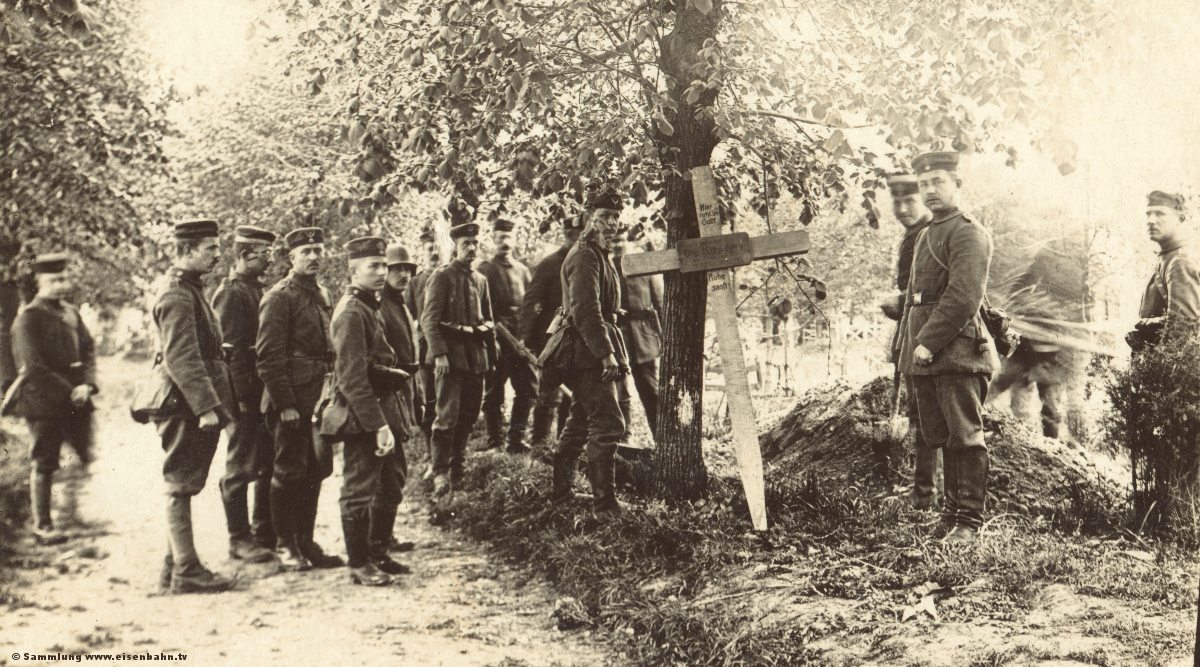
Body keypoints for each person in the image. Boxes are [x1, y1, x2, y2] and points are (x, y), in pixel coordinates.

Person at [898, 151, 998, 545]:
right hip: (925, 353)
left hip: (956, 350)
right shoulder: (927, 233)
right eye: (924, 184)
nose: (930, 190)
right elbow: (913, 299)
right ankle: (951, 515)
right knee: (938, 434)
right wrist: (909, 350)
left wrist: (927, 342)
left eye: (938, 182)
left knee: (965, 436)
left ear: (957, 184)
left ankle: (969, 522)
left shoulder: (967, 231)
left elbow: (964, 295)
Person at [151, 219, 236, 593]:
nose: (217, 256)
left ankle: (174, 569)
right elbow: (181, 357)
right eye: (210, 249)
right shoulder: (176, 295)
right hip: (184, 404)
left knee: (185, 481)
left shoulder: (190, 290)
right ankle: (186, 571)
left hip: (190, 401)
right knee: (180, 483)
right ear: (186, 250)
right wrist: (205, 407)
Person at [324, 237, 411, 585]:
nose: (381, 272)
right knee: (359, 488)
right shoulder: (350, 311)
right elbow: (351, 378)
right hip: (363, 413)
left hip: (383, 407)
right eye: (372, 266)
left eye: (383, 265)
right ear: (353, 271)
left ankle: (377, 551)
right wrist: (378, 425)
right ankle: (359, 563)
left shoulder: (369, 306)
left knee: (392, 482)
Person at [539, 188, 630, 519]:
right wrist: (607, 354)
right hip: (587, 353)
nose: (612, 224)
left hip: (591, 349)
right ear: (589, 219)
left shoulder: (599, 254)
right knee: (608, 423)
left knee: (580, 420)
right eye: (605, 217)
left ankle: (561, 495)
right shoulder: (584, 256)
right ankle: (605, 506)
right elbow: (586, 311)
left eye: (616, 218)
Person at [256, 227, 341, 570]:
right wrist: (286, 404)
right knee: (289, 470)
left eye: (318, 250)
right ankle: (285, 544)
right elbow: (268, 356)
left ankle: (306, 542)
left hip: (320, 397)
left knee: (317, 468)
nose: (314, 257)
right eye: (306, 252)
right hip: (290, 400)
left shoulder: (321, 293)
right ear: (291, 258)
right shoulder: (280, 297)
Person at [6, 252, 97, 546]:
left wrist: (87, 386)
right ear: (38, 282)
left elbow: (88, 351)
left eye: (65, 278)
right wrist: (70, 391)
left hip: (77, 397)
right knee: (45, 461)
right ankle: (43, 526)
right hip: (43, 399)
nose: (62, 284)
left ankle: (72, 513)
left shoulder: (71, 313)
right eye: (54, 280)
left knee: (84, 453)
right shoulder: (28, 319)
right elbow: (33, 367)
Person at [210, 226, 276, 563]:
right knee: (239, 467)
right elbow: (228, 353)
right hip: (244, 394)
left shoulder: (255, 290)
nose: (270, 259)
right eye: (264, 254)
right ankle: (239, 538)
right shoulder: (231, 294)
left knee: (265, 462)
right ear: (244, 255)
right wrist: (237, 399)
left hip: (263, 392)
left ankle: (264, 531)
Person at [421, 219, 497, 497]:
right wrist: (439, 354)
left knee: (468, 416)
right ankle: (440, 471)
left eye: (476, 244)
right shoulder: (442, 277)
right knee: (446, 418)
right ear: (455, 248)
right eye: (467, 244)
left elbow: (488, 321)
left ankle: (458, 467)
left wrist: (491, 358)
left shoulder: (481, 280)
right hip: (450, 360)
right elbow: (429, 320)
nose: (472, 249)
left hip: (476, 359)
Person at [880, 171, 940, 509]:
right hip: (914, 335)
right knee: (921, 415)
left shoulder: (929, 235)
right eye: (897, 201)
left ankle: (925, 493)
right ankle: (922, 489)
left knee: (928, 416)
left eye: (909, 200)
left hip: (930, 340)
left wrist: (898, 302)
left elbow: (930, 295)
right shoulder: (912, 235)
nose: (902, 208)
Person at [519, 213, 583, 451]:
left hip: (578, 342)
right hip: (552, 343)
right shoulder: (548, 264)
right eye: (572, 236)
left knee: (572, 397)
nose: (575, 240)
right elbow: (532, 303)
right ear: (567, 236)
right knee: (547, 397)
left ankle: (563, 446)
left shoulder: (587, 262)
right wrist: (525, 338)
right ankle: (540, 447)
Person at [476, 218, 536, 453]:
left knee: (529, 388)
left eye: (508, 237)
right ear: (493, 240)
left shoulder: (522, 270)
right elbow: (481, 308)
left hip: (519, 338)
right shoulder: (485, 270)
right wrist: (494, 336)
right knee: (494, 391)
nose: (505, 243)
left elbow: (530, 306)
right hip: (497, 338)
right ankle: (495, 442)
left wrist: (525, 336)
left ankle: (515, 439)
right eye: (500, 238)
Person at [376, 243, 420, 554]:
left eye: (407, 270)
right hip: (386, 396)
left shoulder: (400, 304)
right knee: (388, 472)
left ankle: (382, 536)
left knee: (395, 469)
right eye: (397, 270)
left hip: (402, 394)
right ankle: (376, 540)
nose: (403, 275)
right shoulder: (380, 306)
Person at [1130, 190, 1199, 350]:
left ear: (1179, 218)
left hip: (1168, 371)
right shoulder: (1166, 258)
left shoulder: (1179, 262)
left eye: (1160, 213)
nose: (1151, 220)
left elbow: (1181, 333)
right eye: (1148, 214)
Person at [611, 235, 662, 448]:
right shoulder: (606, 266)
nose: (618, 244)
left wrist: (665, 335)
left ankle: (662, 438)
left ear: (629, 241)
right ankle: (624, 439)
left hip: (644, 336)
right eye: (613, 241)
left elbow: (660, 301)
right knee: (619, 391)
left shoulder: (644, 264)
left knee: (651, 389)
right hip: (617, 336)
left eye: (621, 239)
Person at [405, 229, 440, 474]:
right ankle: (431, 458)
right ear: (423, 251)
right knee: (431, 404)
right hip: (426, 353)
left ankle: (448, 459)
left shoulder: (451, 276)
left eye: (439, 248)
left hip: (451, 351)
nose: (435, 252)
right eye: (430, 248)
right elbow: (407, 316)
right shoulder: (416, 282)